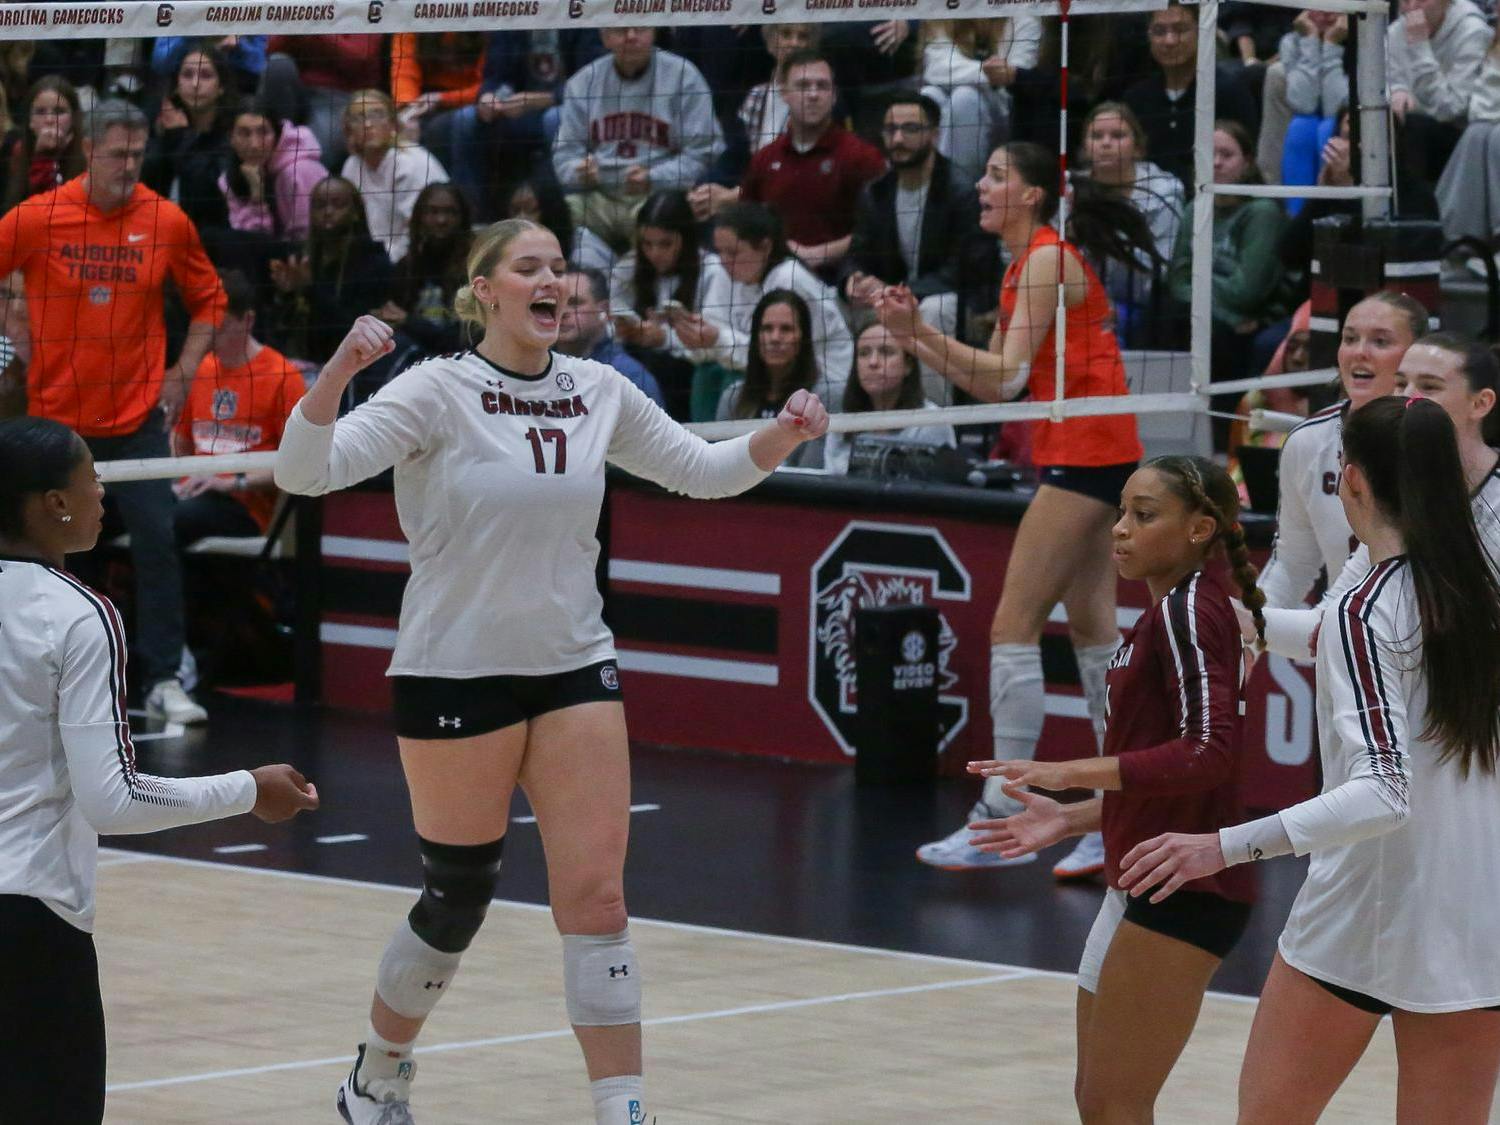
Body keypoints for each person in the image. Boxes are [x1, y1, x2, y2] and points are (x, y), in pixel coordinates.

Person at [273, 218, 829, 1125]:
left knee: (600, 897)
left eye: (560, 270)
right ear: (483, 290)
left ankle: (623, 1108)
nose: (552, 282)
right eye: (528, 268)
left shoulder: (597, 389)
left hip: (574, 664)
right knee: (456, 899)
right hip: (454, 674)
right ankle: (376, 1076)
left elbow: (701, 469)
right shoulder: (435, 390)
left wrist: (780, 436)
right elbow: (307, 473)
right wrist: (334, 377)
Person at [1120, 397, 1500, 1123]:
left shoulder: (1369, 607)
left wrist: (1219, 847)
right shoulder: (1476, 585)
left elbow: (1385, 791)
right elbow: (1335, 632)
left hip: (1360, 911)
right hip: (1476, 918)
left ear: (1350, 480)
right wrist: (1247, 624)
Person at [0, 414, 318, 1124]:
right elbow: (113, 799)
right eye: (93, 478)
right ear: (55, 502)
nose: (103, 493)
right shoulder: (79, 616)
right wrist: (247, 788)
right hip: (27, 917)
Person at [877, 141, 1154, 872]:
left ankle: (1001, 816)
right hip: (1096, 452)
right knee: (1094, 632)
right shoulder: (1026, 262)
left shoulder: (1045, 259)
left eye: (998, 175)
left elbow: (1000, 372)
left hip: (1088, 454)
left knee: (1013, 624)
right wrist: (914, 338)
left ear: (1032, 194)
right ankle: (1113, 814)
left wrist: (921, 335)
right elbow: (999, 387)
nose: (981, 186)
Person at [969, 455, 1264, 1121]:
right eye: (1122, 512)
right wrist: (1075, 818)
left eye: (1144, 514)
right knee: (1100, 1102)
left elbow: (1207, 751)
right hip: (1136, 875)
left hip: (1184, 886)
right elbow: (1168, 773)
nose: (1120, 530)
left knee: (1116, 1103)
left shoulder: (1191, 611)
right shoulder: (1165, 613)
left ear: (1200, 528)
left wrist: (1066, 769)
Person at [0, 99, 227, 725]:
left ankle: (161, 680)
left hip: (136, 424)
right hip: (57, 428)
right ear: (90, 151)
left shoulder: (165, 218)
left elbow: (210, 300)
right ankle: (45, 683)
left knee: (158, 542)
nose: (130, 165)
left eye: (138, 154)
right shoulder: (39, 216)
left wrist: (184, 370)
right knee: (52, 558)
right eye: (118, 154)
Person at [1251, 330, 1498, 661]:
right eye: (1400, 383)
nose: (1407, 398)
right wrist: (1235, 621)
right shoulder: (1397, 495)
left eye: (1429, 386)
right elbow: (1328, 626)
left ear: (1480, 403)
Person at [1256, 291, 1427, 611]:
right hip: (1340, 637)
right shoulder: (1308, 440)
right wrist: (1251, 631)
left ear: (1415, 355)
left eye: (1380, 341)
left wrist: (1259, 628)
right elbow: (1292, 563)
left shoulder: (1432, 444)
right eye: (1350, 338)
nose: (1359, 352)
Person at [842, 92, 996, 405]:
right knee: (833, 304)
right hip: (895, 299)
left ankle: (936, 424)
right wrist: (853, 280)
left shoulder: (962, 191)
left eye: (910, 129)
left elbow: (965, 271)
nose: (898, 138)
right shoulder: (876, 192)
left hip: (960, 303)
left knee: (933, 310)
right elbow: (855, 252)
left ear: (935, 135)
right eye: (890, 129)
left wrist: (896, 290)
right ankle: (853, 420)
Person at [670, 201, 853, 422]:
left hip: (824, 379)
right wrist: (694, 340)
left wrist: (716, 339)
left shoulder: (788, 278)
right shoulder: (728, 274)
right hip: (770, 374)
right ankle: (706, 448)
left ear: (765, 247)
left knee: (733, 379)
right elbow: (712, 349)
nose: (725, 261)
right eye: (720, 252)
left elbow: (781, 354)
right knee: (708, 372)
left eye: (733, 252)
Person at [1168, 121, 1293, 435]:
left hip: (1251, 323)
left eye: (1227, 154)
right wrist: (1217, 303)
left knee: (1212, 334)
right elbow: (1176, 281)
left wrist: (1200, 284)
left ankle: (1222, 438)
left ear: (1247, 162)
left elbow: (1246, 292)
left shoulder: (1261, 213)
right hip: (1223, 317)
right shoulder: (1195, 209)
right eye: (1209, 154)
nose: (1216, 162)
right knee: (1168, 320)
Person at [552, 27, 724, 252]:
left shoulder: (683, 75)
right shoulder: (583, 81)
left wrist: (655, 177)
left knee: (659, 221)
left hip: (655, 196)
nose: (631, 36)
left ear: (654, 32)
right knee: (556, 214)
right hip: (599, 196)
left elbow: (704, 153)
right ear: (605, 37)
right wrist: (579, 171)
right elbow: (564, 156)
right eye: (621, 29)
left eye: (640, 28)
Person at [171, 269, 305, 547]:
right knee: (126, 513)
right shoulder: (201, 368)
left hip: (244, 503)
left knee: (170, 521)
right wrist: (186, 478)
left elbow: (297, 465)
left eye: (218, 328)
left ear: (248, 320)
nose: (208, 338)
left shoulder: (283, 377)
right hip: (193, 494)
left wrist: (231, 482)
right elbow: (181, 440)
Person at [735, 51, 887, 277]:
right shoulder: (764, 159)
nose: (813, 94)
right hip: (774, 277)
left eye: (822, 86)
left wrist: (819, 253)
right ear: (784, 93)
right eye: (803, 86)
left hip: (842, 280)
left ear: (834, 95)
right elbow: (746, 223)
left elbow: (882, 231)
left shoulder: (862, 157)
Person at [608, 189, 733, 419]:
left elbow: (715, 346)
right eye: (647, 244)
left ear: (685, 239)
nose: (655, 253)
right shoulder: (629, 266)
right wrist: (624, 330)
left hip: (687, 373)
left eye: (665, 244)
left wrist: (663, 338)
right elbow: (610, 317)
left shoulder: (712, 271)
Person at [1079, 101, 1184, 348]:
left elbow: (1159, 271)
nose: (1106, 143)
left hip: (1138, 304)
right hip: (1076, 301)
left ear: (1137, 148)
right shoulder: (1068, 190)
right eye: (1097, 136)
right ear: (1085, 146)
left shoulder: (1165, 193)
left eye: (1117, 135)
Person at [1122, 2, 1259, 189]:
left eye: (1180, 29)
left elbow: (1246, 160)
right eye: (1159, 31)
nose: (1169, 40)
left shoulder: (1229, 91)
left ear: (1201, 32)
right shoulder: (1136, 98)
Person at [266, 175, 393, 367]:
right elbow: (280, 328)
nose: (328, 212)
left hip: (356, 367)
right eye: (319, 205)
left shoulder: (374, 261)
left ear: (355, 211)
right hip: (303, 362)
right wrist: (286, 294)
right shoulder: (302, 257)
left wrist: (310, 289)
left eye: (338, 204)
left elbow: (352, 329)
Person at [717, 289, 836, 468]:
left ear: (803, 338)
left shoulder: (824, 397)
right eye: (767, 328)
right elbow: (720, 466)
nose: (775, 338)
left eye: (786, 329)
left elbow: (810, 474)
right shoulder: (733, 396)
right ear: (756, 337)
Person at [918, 16, 1044, 184]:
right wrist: (992, 73)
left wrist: (1006, 75)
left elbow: (1019, 73)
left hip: (1008, 117)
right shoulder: (944, 12)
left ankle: (962, 193)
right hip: (955, 105)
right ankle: (924, 186)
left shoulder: (1023, 13)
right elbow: (936, 69)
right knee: (929, 94)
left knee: (965, 99)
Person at [824, 320, 957, 474]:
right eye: (864, 353)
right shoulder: (841, 426)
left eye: (886, 352)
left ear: (908, 365)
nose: (873, 362)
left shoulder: (932, 423)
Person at [341, 89, 450, 265]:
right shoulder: (352, 166)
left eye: (377, 115)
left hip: (418, 258)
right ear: (348, 129)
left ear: (393, 123)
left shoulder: (408, 162)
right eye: (359, 118)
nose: (368, 124)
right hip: (377, 258)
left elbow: (417, 231)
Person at [142, 43, 238, 235]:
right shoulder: (160, 125)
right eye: (187, 75)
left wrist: (180, 137)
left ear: (221, 87)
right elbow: (147, 181)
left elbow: (205, 191)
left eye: (206, 75)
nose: (195, 84)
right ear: (176, 85)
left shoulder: (234, 134)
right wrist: (168, 137)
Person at [380, 183, 475, 362]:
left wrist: (409, 322)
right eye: (432, 212)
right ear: (419, 217)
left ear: (463, 218)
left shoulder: (476, 267)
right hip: (415, 362)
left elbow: (465, 338)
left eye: (450, 212)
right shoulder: (407, 266)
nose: (441, 220)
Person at [218, 98, 326, 241]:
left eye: (263, 133)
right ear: (231, 137)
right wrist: (257, 197)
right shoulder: (229, 179)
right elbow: (250, 242)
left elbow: (306, 239)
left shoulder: (300, 170)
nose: (254, 144)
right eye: (244, 133)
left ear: (277, 135)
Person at [556, 268, 666, 408]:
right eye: (556, 303)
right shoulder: (533, 368)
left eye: (575, 303)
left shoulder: (629, 376)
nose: (563, 312)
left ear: (604, 310)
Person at [1, 76, 85, 214]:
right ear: (30, 121)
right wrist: (41, 159)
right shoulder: (14, 152)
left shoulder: (90, 153)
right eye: (40, 112)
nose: (50, 120)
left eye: (59, 111)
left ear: (74, 119)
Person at [738, 23, 819, 155]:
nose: (794, 43)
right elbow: (738, 154)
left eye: (802, 37)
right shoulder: (756, 95)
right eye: (786, 34)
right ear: (770, 42)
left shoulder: (818, 96)